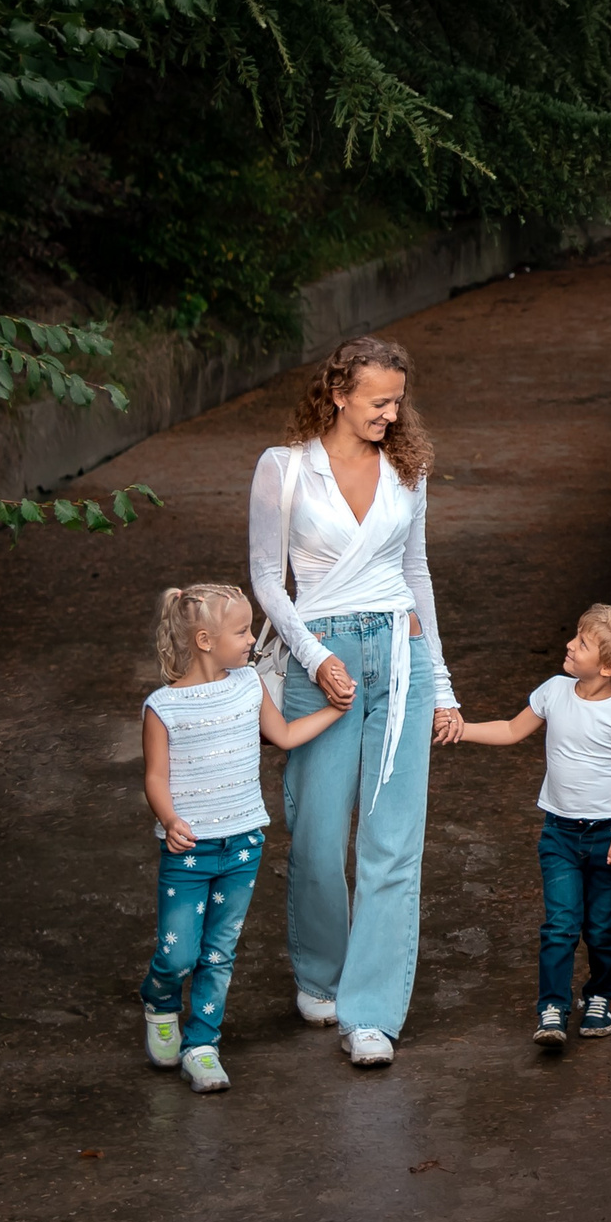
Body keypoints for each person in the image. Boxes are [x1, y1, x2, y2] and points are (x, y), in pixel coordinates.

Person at [249, 335, 465, 1069]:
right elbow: (268, 580)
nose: (390, 414)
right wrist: (316, 657)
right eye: (378, 401)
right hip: (322, 659)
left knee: (392, 843)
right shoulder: (283, 468)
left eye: (397, 401)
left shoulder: (409, 468)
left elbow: (417, 572)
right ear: (338, 393)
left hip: (402, 656)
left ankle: (371, 1014)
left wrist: (442, 683)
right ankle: (320, 973)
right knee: (315, 838)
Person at [140, 583, 344, 1093]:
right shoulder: (163, 706)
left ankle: (202, 1045)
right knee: (178, 955)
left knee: (219, 952)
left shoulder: (249, 684)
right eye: (243, 631)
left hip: (243, 844)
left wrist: (336, 711)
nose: (253, 640)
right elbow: (155, 776)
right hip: (189, 851)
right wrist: (169, 819)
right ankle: (160, 1000)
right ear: (205, 641)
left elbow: (285, 735)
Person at [457, 604, 611, 1046]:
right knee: (560, 924)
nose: (569, 645)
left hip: (607, 836)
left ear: (609, 667)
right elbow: (511, 730)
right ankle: (552, 1006)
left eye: (582, 643)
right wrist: (462, 729)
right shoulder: (554, 691)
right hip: (559, 834)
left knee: (602, 927)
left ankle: (602, 994)